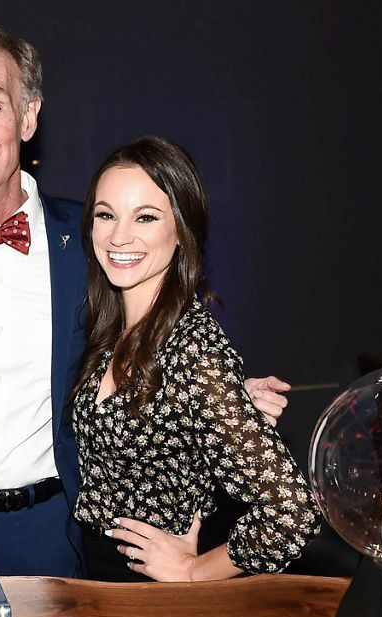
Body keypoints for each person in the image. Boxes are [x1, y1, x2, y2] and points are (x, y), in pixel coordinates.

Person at [0, 26, 290, 577]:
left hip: (57, 532)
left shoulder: (94, 243)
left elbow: (159, 333)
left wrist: (211, 402)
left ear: (28, 117)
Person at [71, 136, 320, 582]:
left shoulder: (194, 350)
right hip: (97, 577)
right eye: (106, 215)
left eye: (145, 217)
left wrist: (193, 570)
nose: (119, 235)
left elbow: (292, 514)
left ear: (181, 232)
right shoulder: (111, 329)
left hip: (155, 595)